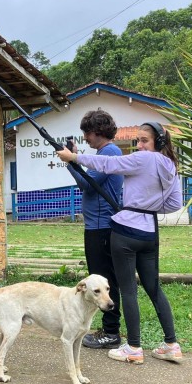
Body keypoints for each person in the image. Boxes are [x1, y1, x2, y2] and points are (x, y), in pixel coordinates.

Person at [56, 122, 183, 364]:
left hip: (126, 230)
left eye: (145, 140)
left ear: (159, 142)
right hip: (150, 231)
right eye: (138, 140)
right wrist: (149, 206)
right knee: (154, 288)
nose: (139, 145)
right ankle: (171, 344)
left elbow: (110, 164)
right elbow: (175, 203)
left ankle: (134, 347)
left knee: (128, 290)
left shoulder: (146, 159)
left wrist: (73, 156)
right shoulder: (170, 165)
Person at [66, 110, 124, 350]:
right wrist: (76, 158)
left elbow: (86, 184)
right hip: (98, 226)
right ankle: (109, 330)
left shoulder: (109, 152)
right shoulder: (105, 153)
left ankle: (111, 332)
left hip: (101, 227)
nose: (86, 138)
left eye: (87, 133)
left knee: (103, 281)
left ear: (98, 131)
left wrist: (70, 161)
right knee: (105, 280)